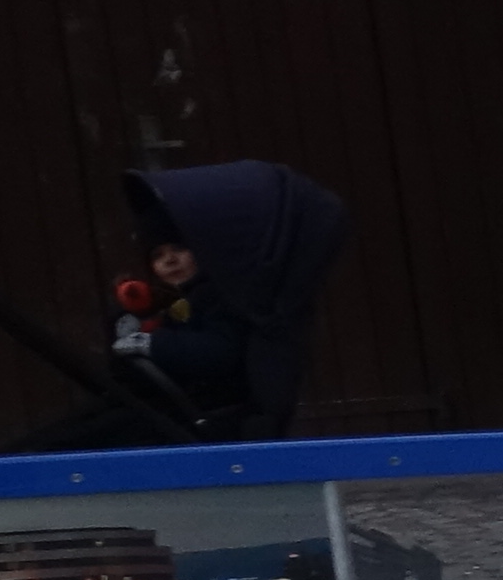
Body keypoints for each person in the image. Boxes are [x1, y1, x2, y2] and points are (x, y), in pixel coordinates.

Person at [117, 162, 353, 435]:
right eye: (158, 255)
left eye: (179, 249)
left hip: (213, 409)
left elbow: (220, 350)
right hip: (181, 401)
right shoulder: (174, 301)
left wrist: (153, 344)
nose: (170, 260)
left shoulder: (225, 296)